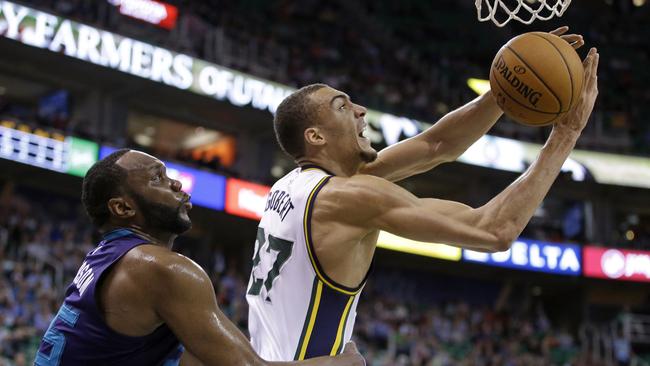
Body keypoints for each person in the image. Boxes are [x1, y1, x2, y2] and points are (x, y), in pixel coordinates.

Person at [246, 28, 598, 360]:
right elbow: (494, 230)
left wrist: (506, 89)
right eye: (342, 107)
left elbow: (435, 145)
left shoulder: (292, 184)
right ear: (316, 137)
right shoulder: (348, 198)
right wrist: (566, 135)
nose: (360, 111)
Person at [35, 149, 365, 365]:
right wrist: (340, 362)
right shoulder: (160, 269)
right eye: (157, 178)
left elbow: (199, 359)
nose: (177, 182)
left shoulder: (109, 257)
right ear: (123, 208)